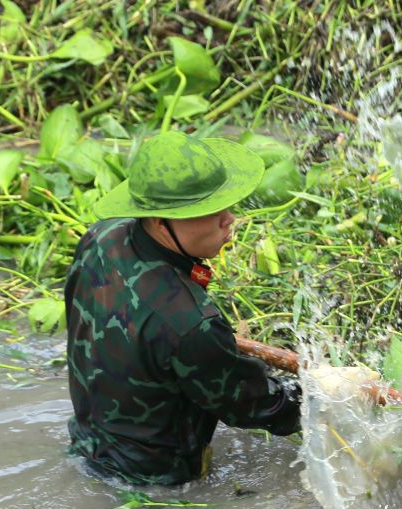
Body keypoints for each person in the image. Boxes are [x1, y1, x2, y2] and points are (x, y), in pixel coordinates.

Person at [64, 130, 302, 485]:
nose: (229, 219)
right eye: (209, 210)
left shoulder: (100, 238)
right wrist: (323, 395)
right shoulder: (191, 324)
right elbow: (258, 407)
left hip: (86, 446)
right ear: (160, 220)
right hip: (155, 485)